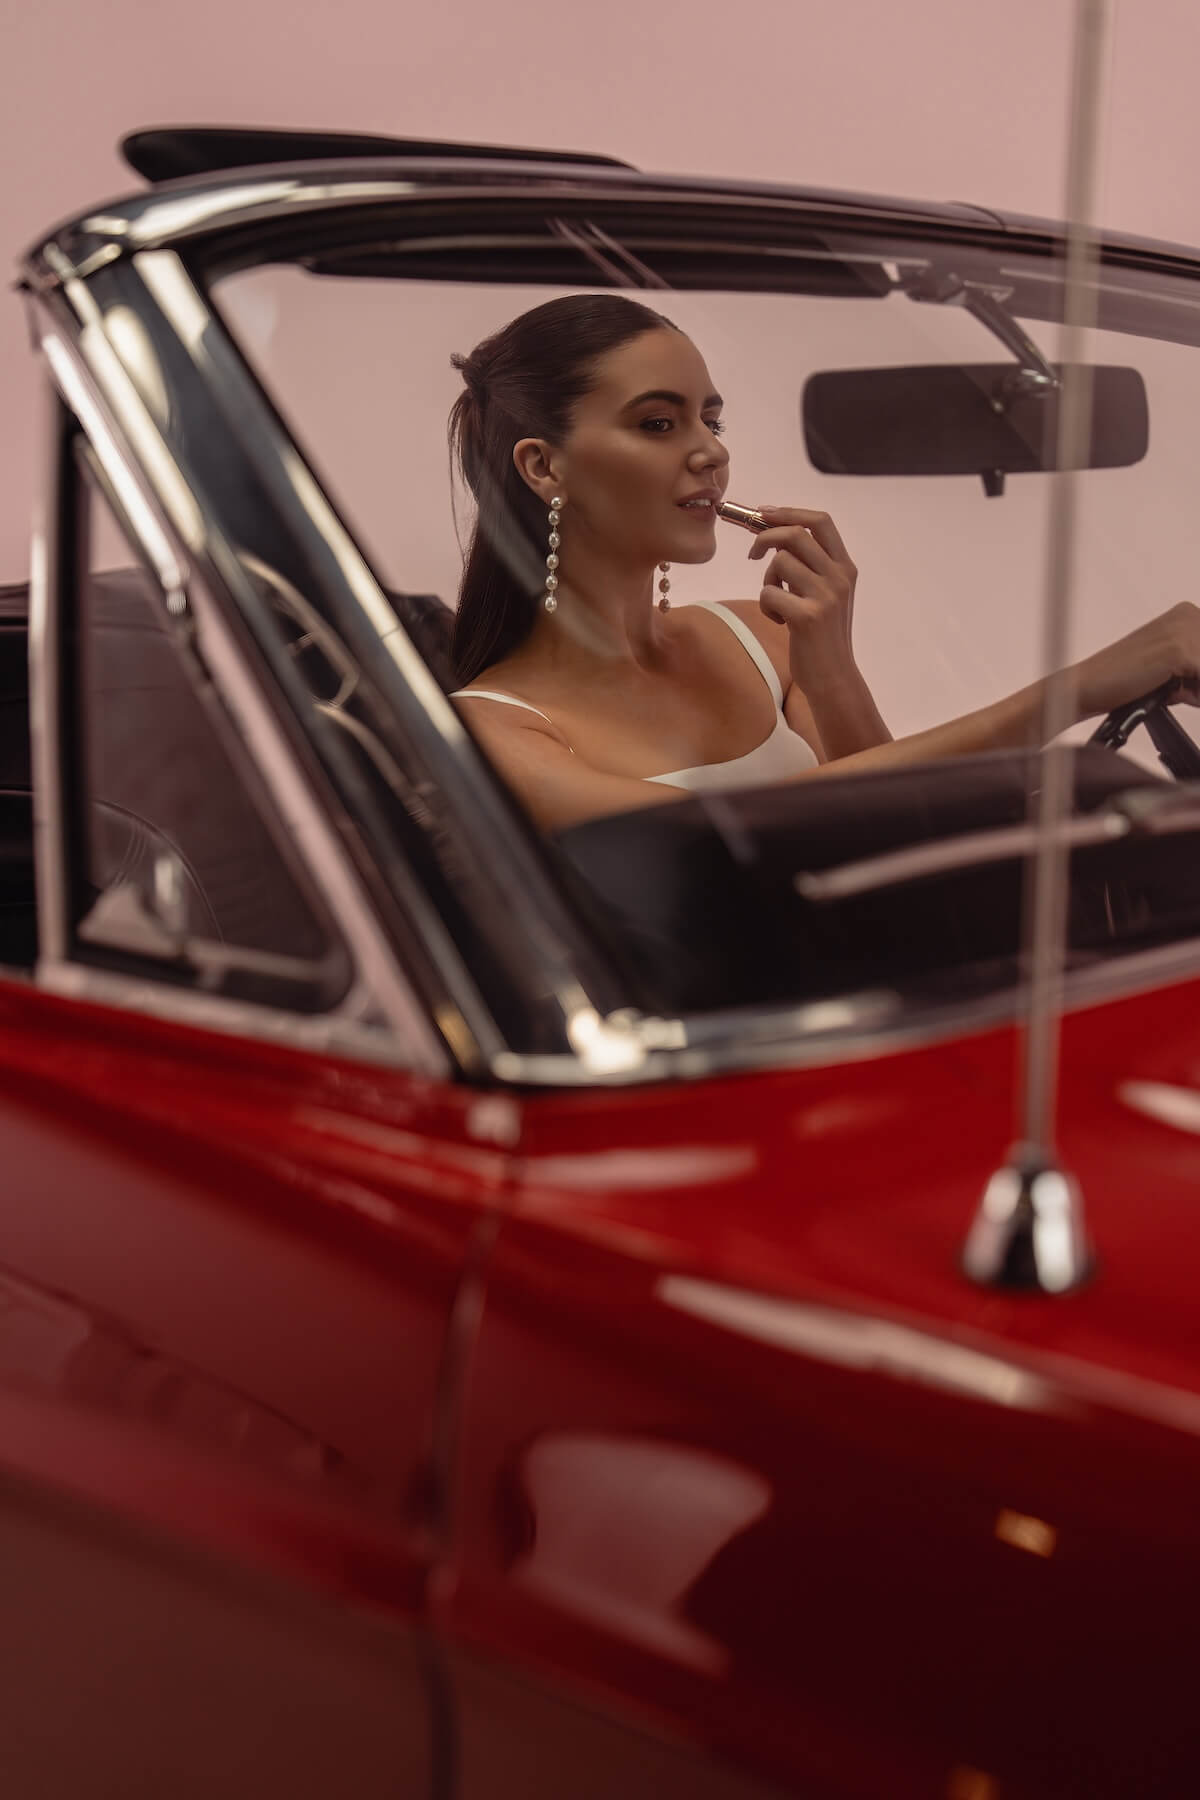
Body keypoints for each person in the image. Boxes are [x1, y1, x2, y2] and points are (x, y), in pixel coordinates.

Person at [448, 294, 1200, 831]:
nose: (711, 452)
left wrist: (830, 663)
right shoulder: (487, 735)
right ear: (544, 467)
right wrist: (1080, 688)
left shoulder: (760, 635)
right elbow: (734, 842)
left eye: (711, 420)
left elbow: (907, 832)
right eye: (657, 423)